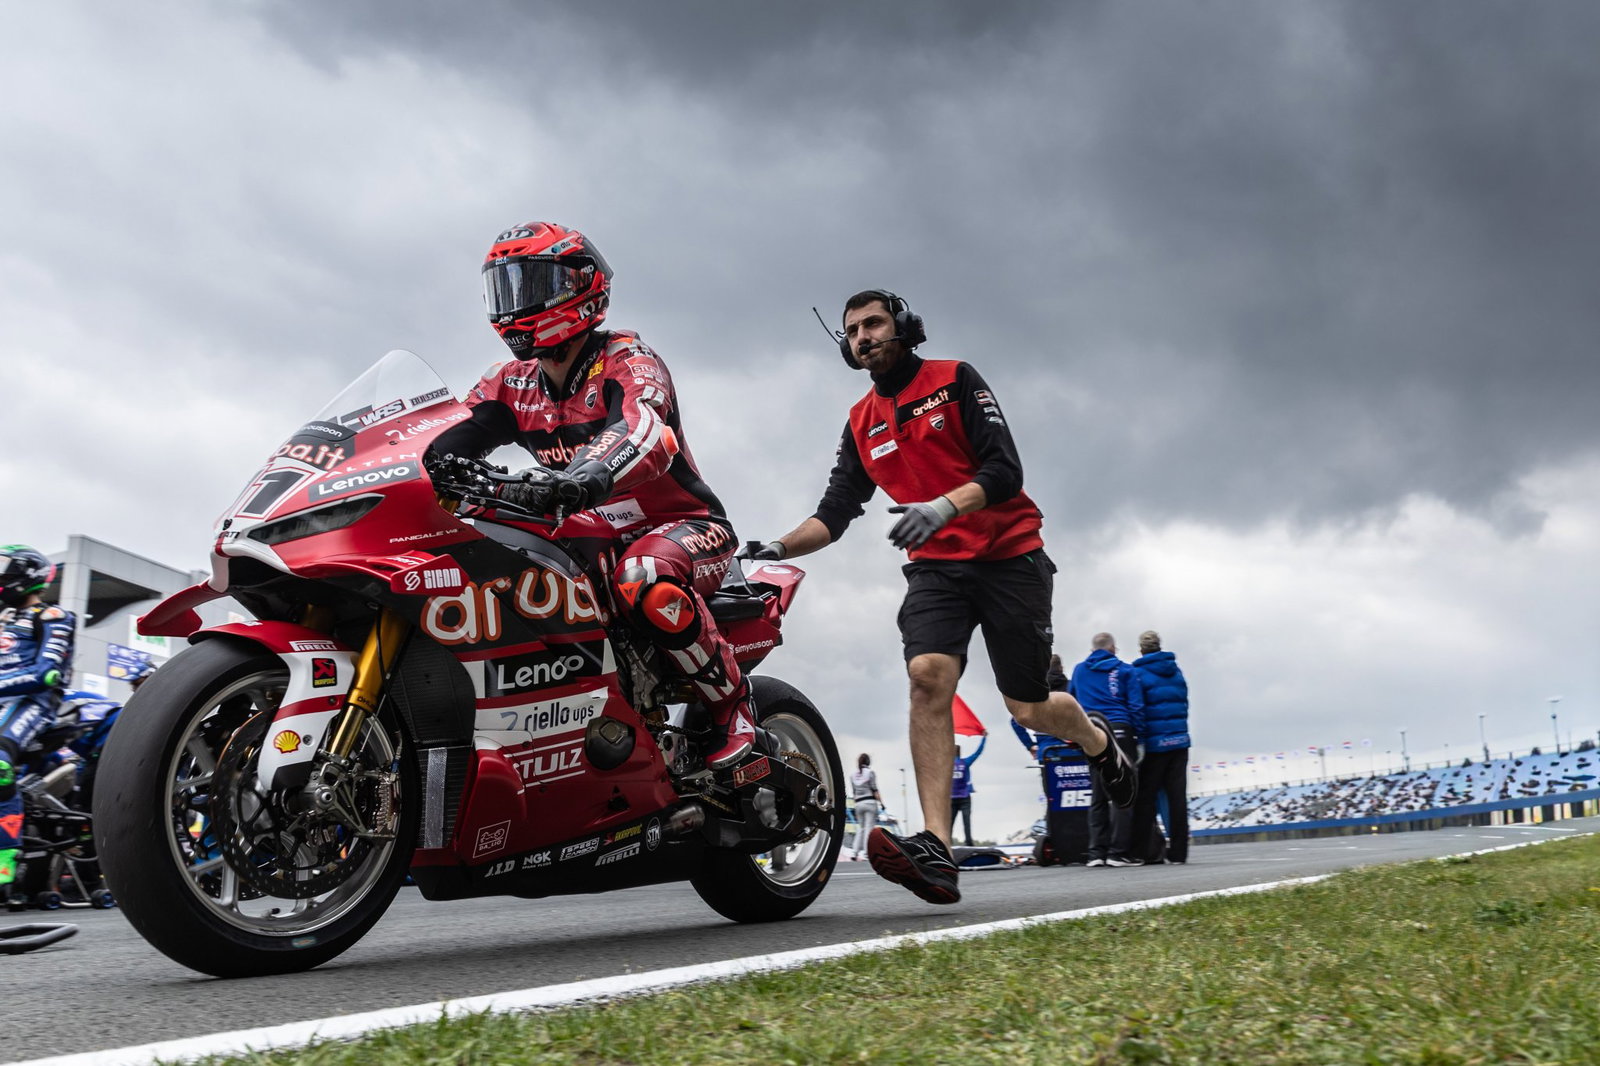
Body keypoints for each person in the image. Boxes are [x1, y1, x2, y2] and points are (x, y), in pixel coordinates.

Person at [743, 290, 1136, 905]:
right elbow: (836, 512)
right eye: (851, 331)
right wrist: (778, 548)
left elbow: (1006, 470)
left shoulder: (954, 379)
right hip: (935, 571)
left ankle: (1097, 740)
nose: (863, 336)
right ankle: (937, 848)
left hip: (1012, 558)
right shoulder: (859, 419)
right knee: (927, 678)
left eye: (873, 323)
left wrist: (943, 505)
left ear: (903, 326)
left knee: (1028, 708)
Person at [432, 222, 754, 769]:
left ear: (580, 287)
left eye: (531, 286)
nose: (515, 306)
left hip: (681, 525)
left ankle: (732, 709)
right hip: (586, 528)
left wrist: (584, 477)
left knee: (644, 577)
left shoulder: (628, 357)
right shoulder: (507, 381)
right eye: (505, 289)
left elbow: (643, 428)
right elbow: (441, 442)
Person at [0, 545, 76, 893]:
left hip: (32, 702)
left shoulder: (54, 616)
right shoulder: (4, 618)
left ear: (27, 575)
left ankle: (3, 866)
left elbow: (46, 674)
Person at [1070, 633, 1145, 867]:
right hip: (1121, 731)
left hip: (1092, 730)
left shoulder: (1079, 670)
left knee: (1098, 793)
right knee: (1124, 792)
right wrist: (1140, 737)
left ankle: (1095, 853)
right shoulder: (1125, 670)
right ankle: (1118, 852)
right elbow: (1136, 705)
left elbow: (1071, 699)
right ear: (1112, 647)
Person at [1131, 630, 1191, 864]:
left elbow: (1139, 709)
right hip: (1180, 742)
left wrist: (1141, 740)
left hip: (1155, 744)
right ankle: (1179, 852)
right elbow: (1184, 702)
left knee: (1146, 799)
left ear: (1142, 649)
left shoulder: (1137, 674)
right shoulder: (1176, 671)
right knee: (1177, 798)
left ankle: (1142, 851)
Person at [950, 735, 986, 847]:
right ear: (960, 753)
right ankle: (969, 843)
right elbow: (977, 753)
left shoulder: (946, 764)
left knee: (949, 823)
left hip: (953, 798)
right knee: (966, 822)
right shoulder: (965, 762)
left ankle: (946, 843)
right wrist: (984, 738)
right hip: (964, 797)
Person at [848, 753, 883, 861]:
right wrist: (882, 804)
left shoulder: (852, 775)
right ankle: (867, 854)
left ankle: (854, 852)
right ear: (868, 762)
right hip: (870, 803)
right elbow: (874, 789)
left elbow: (854, 793)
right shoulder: (870, 773)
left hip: (858, 804)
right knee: (869, 829)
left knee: (861, 829)